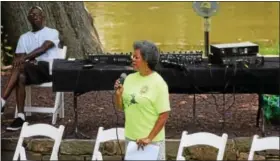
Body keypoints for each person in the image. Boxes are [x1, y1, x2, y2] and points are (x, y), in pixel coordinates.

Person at [1, 6, 61, 131]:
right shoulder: (24, 37)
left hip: (49, 69)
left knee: (21, 66)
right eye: (32, 15)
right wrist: (23, 60)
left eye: (37, 14)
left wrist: (25, 58)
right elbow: (18, 60)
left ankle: (2, 101)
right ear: (28, 19)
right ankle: (21, 117)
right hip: (32, 71)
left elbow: (44, 48)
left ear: (43, 17)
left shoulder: (52, 32)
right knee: (21, 76)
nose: (34, 17)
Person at [114, 40, 171, 160]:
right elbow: (122, 107)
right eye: (132, 56)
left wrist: (149, 138)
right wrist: (118, 95)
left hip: (151, 142)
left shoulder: (159, 83)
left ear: (146, 60)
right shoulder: (129, 78)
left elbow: (164, 115)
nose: (132, 59)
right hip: (131, 138)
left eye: (136, 57)